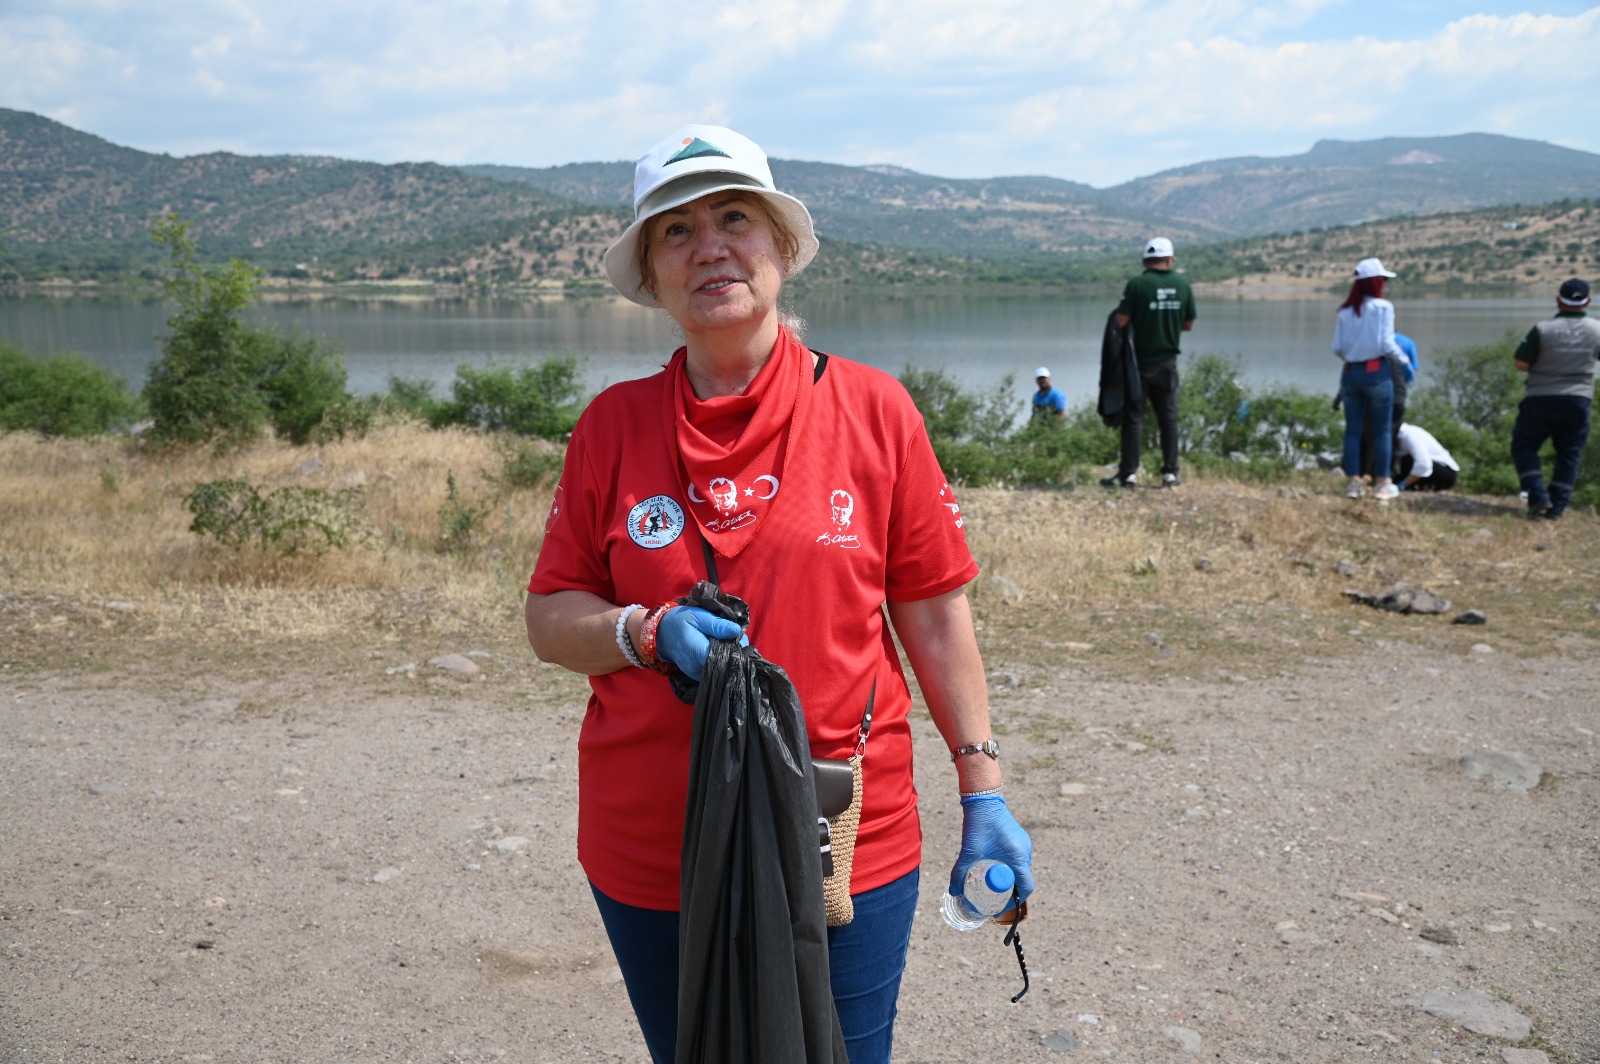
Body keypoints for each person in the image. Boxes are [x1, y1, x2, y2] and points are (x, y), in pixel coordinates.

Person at [523, 124, 1034, 1064]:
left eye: (734, 218)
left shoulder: (875, 409)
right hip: (652, 842)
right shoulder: (612, 427)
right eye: (675, 232)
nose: (709, 246)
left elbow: (931, 610)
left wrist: (982, 788)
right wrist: (644, 629)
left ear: (782, 248)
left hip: (842, 834)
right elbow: (551, 617)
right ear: (652, 271)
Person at [1103, 236, 1196, 488]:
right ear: (1169, 259)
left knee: (1134, 418)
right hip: (1167, 364)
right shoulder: (1182, 285)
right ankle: (1170, 473)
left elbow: (1121, 321)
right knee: (1168, 418)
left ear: (1146, 260)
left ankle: (1129, 474)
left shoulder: (1137, 285)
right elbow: (1188, 324)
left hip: (1138, 365)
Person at [1510, 277, 1600, 520]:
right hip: (1579, 399)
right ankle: (1557, 508)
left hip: (1541, 397)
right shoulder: (1596, 328)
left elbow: (1521, 363)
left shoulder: (1543, 329)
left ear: (1559, 301)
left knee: (1524, 446)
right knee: (1569, 453)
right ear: (1588, 301)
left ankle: (1537, 495)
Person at [1332, 257, 1404, 501]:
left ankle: (1353, 483)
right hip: (1376, 373)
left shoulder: (1345, 311)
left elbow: (1337, 347)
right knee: (1382, 430)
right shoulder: (1383, 308)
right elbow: (1386, 343)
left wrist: (1353, 356)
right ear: (1376, 282)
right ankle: (1383, 482)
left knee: (1352, 430)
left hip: (1350, 373)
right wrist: (1404, 361)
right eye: (1383, 279)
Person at [1394, 422, 1459, 492]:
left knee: (1407, 460)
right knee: (1393, 481)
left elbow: (1423, 464)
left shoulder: (1411, 434)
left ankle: (1406, 486)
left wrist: (1401, 485)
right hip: (1426, 472)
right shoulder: (1396, 438)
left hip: (1446, 473)